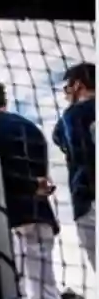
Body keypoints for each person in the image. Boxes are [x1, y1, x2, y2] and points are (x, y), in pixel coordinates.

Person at [0, 79, 72, 299]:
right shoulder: (30, 127)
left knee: (13, 288)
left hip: (12, 218)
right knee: (43, 286)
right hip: (41, 214)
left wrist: (26, 184)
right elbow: (40, 175)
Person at [52, 62, 95, 271]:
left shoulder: (75, 114)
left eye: (67, 86)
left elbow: (61, 139)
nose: (65, 92)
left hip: (89, 198)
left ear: (78, 85)